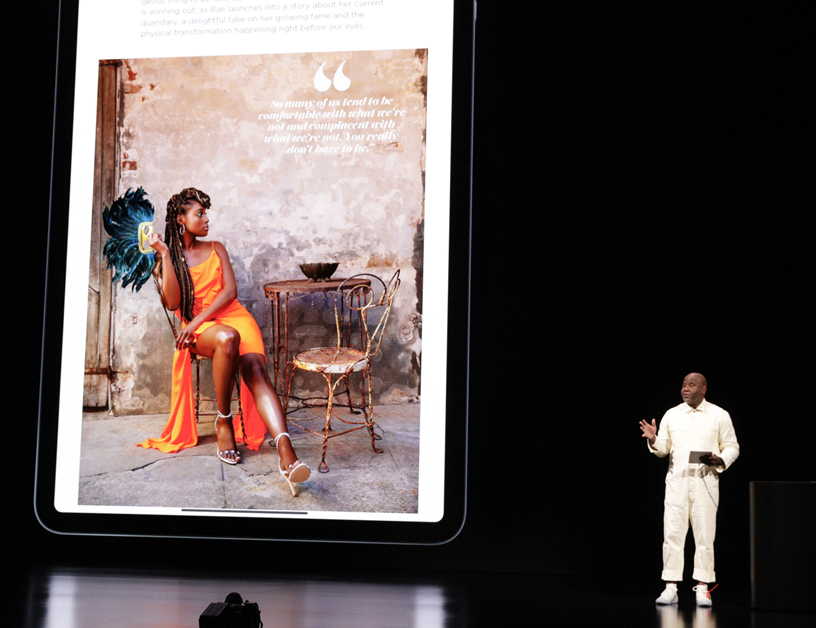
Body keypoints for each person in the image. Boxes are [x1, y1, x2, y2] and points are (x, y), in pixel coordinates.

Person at [137, 187, 310, 496]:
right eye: (199, 214)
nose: (206, 219)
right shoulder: (166, 260)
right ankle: (224, 420)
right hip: (201, 330)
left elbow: (230, 292)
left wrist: (198, 322)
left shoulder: (217, 247)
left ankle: (287, 453)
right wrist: (163, 255)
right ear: (181, 219)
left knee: (256, 369)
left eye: (206, 213)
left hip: (229, 316)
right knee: (227, 338)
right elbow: (174, 304)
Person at [639, 373, 739, 607]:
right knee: (672, 534)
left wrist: (721, 459)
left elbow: (733, 446)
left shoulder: (719, 415)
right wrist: (653, 439)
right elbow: (663, 449)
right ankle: (670, 587)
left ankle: (703, 588)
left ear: (703, 389)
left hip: (706, 482)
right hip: (677, 483)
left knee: (705, 536)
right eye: (684, 384)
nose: (686, 388)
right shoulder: (672, 414)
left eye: (692, 385)